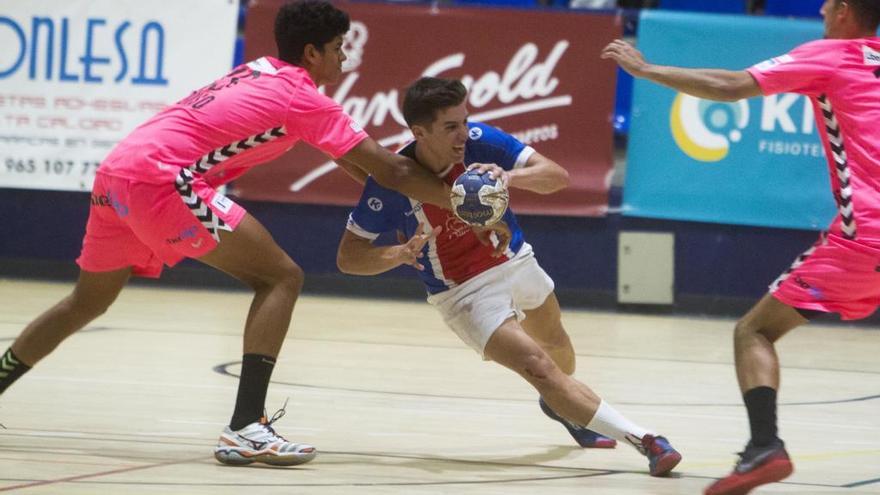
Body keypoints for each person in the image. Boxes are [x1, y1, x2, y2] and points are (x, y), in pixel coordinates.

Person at [0, 0, 462, 467]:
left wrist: (408, 197)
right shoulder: (304, 98)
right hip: (162, 179)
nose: (346, 57)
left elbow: (359, 165)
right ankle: (245, 427)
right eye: (339, 48)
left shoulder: (259, 72)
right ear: (311, 53)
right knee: (280, 278)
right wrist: (463, 201)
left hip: (117, 172)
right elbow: (392, 170)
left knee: (86, 301)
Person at [335, 76, 683, 476]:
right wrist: (397, 254)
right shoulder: (392, 179)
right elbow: (349, 258)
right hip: (463, 292)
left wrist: (508, 176)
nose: (463, 134)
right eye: (451, 127)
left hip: (515, 260)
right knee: (539, 366)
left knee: (557, 346)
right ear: (419, 132)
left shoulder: (481, 142)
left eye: (465, 121)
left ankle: (566, 408)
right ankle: (647, 441)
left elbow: (557, 177)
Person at [602, 1, 880, 493]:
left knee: (755, 331)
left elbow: (732, 86)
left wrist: (646, 69)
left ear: (842, 12)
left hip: (868, 235)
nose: (818, 7)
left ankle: (765, 448)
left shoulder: (832, 54)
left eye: (828, 1)